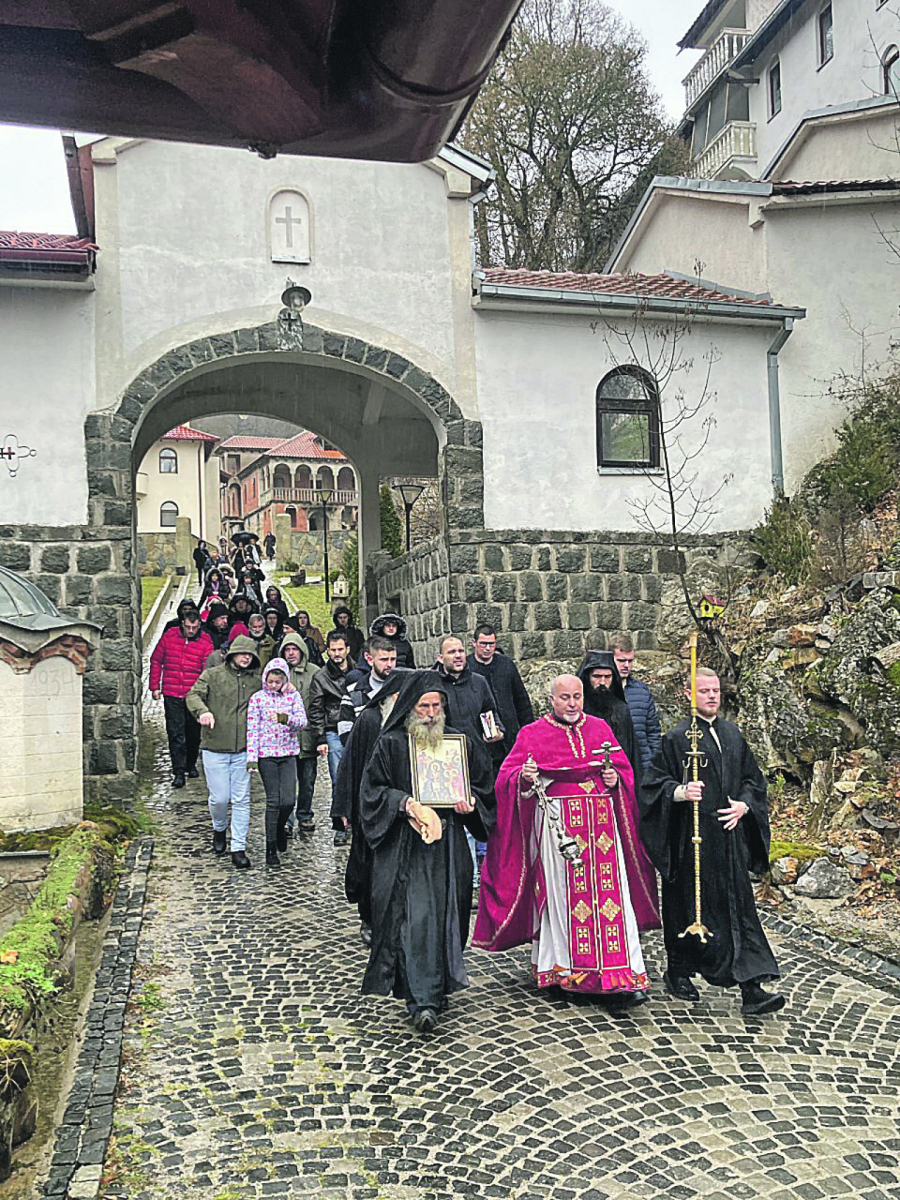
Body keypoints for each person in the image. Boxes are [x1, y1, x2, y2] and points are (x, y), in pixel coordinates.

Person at [474, 675, 660, 1006]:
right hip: (560, 831)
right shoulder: (532, 734)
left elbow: (624, 771)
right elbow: (507, 780)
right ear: (552, 700)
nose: (572, 704)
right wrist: (525, 779)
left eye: (577, 697)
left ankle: (622, 974)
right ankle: (567, 973)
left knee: (612, 899)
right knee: (563, 901)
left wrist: (615, 778)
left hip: (603, 828)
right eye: (565, 698)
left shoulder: (601, 728)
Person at [640, 667, 786, 1016]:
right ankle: (678, 971)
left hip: (729, 843)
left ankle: (751, 988)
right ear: (690, 695)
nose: (711, 696)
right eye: (704, 690)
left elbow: (754, 781)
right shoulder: (677, 739)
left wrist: (744, 806)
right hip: (692, 845)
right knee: (690, 908)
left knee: (738, 910)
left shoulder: (732, 734)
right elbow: (651, 786)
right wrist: (678, 792)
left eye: (716, 690)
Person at [359, 672, 496, 1032]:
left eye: (437, 706)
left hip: (450, 847)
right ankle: (421, 1000)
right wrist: (406, 804)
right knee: (416, 919)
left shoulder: (459, 744)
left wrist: (471, 806)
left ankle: (440, 984)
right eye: (424, 706)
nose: (432, 713)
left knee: (450, 917)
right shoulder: (390, 744)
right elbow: (372, 792)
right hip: (408, 849)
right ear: (410, 707)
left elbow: (483, 788)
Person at [332, 667, 408, 946]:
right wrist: (343, 808)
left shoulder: (411, 723)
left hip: (399, 808)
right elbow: (350, 764)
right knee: (369, 866)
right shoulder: (369, 719)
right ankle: (369, 918)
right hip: (369, 806)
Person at [186, 634, 262, 868]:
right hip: (215, 747)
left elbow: (274, 694)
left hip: (243, 750)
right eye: (242, 654)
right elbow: (193, 695)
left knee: (241, 800)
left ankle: (238, 847)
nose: (246, 658)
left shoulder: (256, 682)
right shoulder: (213, 675)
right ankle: (219, 828)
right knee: (220, 798)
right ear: (232, 654)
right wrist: (202, 712)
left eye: (250, 655)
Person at [436, 634, 504, 887]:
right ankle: (470, 878)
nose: (458, 655)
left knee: (483, 815)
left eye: (461, 651)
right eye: (452, 652)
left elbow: (491, 713)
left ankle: (487, 875)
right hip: (448, 763)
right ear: (440, 657)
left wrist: (496, 730)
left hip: (479, 761)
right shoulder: (433, 683)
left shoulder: (479, 682)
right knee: (461, 820)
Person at [246, 657, 308, 867]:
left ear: (284, 680)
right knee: (274, 800)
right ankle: (270, 847)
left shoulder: (292, 696)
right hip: (266, 756)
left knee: (288, 800)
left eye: (277, 682)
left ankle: (280, 827)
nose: (273, 685)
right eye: (270, 681)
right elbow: (252, 729)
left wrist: (285, 718)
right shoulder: (257, 699)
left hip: (288, 753)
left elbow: (302, 722)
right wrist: (252, 758)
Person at [149, 607, 214, 789]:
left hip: (193, 694)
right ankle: (178, 770)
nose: (191, 631)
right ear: (182, 625)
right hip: (172, 692)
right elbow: (156, 660)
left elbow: (207, 670)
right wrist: (155, 686)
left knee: (193, 733)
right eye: (188, 627)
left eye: (194, 628)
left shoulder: (205, 642)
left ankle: (191, 763)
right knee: (175, 732)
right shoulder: (170, 636)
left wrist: (204, 694)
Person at [307, 630, 353, 842]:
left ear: (347, 650)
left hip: (358, 728)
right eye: (332, 650)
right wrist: (321, 737)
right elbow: (316, 708)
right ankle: (340, 826)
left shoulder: (360, 672)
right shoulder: (321, 677)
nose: (336, 653)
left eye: (340, 649)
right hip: (334, 729)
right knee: (339, 777)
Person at [467, 623, 534, 760]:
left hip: (510, 734)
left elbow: (521, 700)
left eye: (491, 644)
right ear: (474, 643)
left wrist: (528, 732)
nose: (487, 648)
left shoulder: (506, 664)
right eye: (483, 644)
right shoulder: (467, 667)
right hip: (480, 738)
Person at [577, 650, 643, 788]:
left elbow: (629, 754)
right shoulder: (576, 710)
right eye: (597, 676)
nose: (602, 682)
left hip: (614, 782)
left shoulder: (621, 710)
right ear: (587, 677)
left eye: (607, 677)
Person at [279, 632, 319, 833]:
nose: (291, 653)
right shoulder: (277, 674)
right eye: (287, 649)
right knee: (286, 783)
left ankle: (305, 814)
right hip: (285, 738)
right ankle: (286, 819)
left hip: (309, 736)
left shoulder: (315, 672)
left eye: (294, 649)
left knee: (307, 781)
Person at [609, 634, 661, 773]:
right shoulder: (601, 692)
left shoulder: (642, 691)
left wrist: (653, 761)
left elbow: (653, 731)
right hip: (612, 768)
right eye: (621, 660)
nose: (626, 665)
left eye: (630, 661)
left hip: (642, 767)